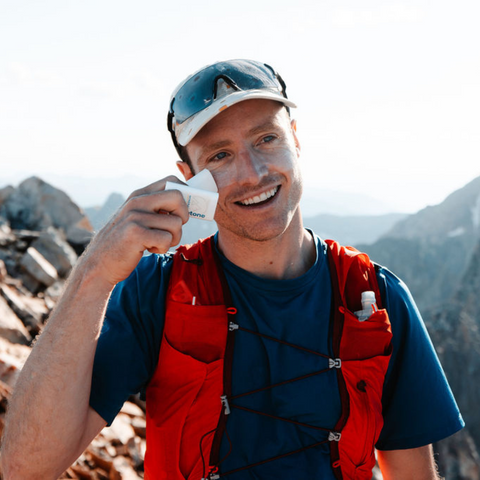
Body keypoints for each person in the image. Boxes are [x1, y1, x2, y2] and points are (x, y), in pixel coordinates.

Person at [1, 59, 464, 480]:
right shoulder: (157, 291)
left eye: (266, 138)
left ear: (296, 139)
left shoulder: (378, 297)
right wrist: (94, 273)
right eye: (219, 155)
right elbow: (25, 468)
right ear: (189, 176)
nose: (252, 172)